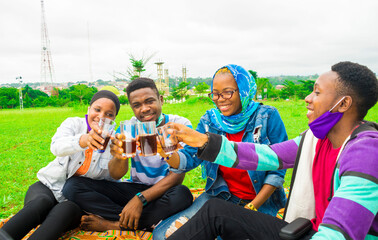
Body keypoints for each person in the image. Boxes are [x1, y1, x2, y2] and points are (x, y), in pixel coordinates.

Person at [165, 61, 378, 240]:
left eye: (317, 92)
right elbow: (267, 155)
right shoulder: (314, 139)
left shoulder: (366, 154)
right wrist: (202, 140)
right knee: (214, 211)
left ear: (343, 104)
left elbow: (338, 235)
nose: (308, 98)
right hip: (309, 229)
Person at [153, 64, 288, 239]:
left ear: (244, 91)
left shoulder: (267, 116)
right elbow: (189, 159)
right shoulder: (210, 121)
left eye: (227, 92)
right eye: (215, 94)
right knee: (162, 235)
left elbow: (278, 167)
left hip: (259, 201)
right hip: (220, 196)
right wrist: (166, 153)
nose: (220, 99)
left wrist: (253, 207)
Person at [62, 78, 193, 232]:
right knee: (73, 186)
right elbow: (116, 174)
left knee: (182, 195)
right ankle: (146, 220)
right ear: (132, 108)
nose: (144, 109)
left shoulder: (179, 125)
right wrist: (120, 156)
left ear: (161, 100)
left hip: (164, 191)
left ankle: (114, 224)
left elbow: (177, 177)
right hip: (133, 189)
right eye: (137, 105)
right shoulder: (128, 128)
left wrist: (140, 199)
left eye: (149, 101)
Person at [0, 90, 121, 240]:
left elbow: (112, 182)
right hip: (48, 187)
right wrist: (82, 140)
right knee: (42, 202)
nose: (101, 117)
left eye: (109, 114)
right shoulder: (73, 124)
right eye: (97, 109)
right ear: (88, 109)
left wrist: (120, 157)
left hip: (75, 204)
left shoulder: (113, 143)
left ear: (114, 118)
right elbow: (56, 146)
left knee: (66, 209)